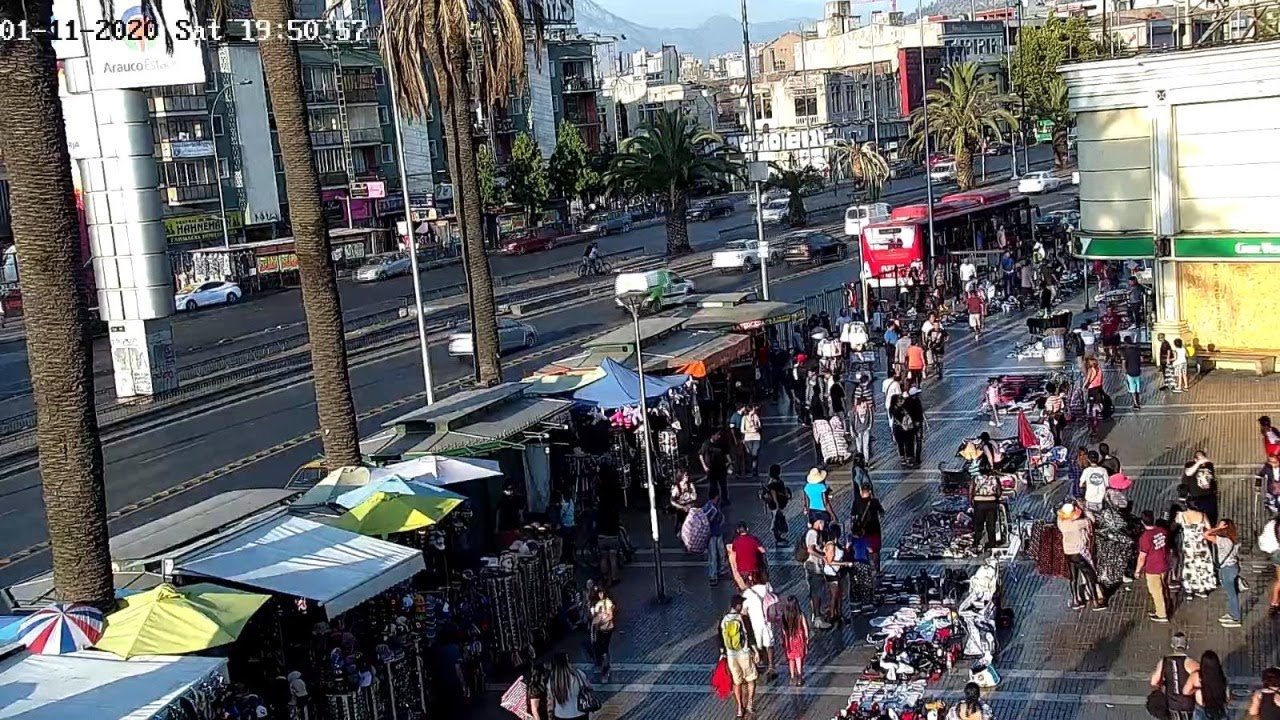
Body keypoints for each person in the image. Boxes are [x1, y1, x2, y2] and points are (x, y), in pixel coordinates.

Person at [1058, 501, 1106, 610]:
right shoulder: (1078, 523)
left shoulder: (1062, 524)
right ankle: (1095, 602)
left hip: (1068, 553)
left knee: (1073, 577)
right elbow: (1090, 521)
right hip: (1079, 553)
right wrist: (1083, 508)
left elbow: (1058, 518)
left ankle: (1076, 600)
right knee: (1090, 575)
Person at [718, 595, 760, 719]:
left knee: (737, 682)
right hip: (744, 654)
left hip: (731, 656)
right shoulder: (743, 618)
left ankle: (739, 709)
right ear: (738, 606)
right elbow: (751, 636)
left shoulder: (723, 619)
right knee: (751, 679)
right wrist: (756, 651)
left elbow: (720, 639)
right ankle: (750, 704)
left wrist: (722, 653)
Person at [739, 572, 778, 683]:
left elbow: (743, 611)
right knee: (769, 644)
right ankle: (771, 665)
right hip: (767, 620)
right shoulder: (766, 587)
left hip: (755, 622)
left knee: (757, 643)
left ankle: (758, 664)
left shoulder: (746, 594)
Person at [1175, 498, 1217, 598]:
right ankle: (1202, 590)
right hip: (1201, 545)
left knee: (1189, 566)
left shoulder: (1182, 515)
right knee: (1202, 566)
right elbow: (1209, 529)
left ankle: (1189, 591)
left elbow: (1176, 524)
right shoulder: (1202, 515)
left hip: (1189, 546)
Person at [1152, 633, 1199, 720]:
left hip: (1171, 703)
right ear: (1186, 646)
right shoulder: (1190, 663)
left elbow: (1154, 682)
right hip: (1187, 703)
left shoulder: (1164, 661)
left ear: (1172, 646)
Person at [1206, 519, 1243, 627]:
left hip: (1227, 569)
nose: (1217, 525)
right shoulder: (1233, 539)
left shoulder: (1222, 540)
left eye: (1220, 524)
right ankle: (1232, 613)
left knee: (1232, 594)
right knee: (1232, 592)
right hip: (1233, 567)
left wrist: (1218, 528)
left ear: (1225, 527)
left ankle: (1235, 618)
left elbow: (1206, 534)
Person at [1135, 511, 1171, 622]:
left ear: (1142, 522)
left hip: (1152, 568)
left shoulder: (1145, 537)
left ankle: (1161, 614)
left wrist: (1137, 570)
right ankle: (1167, 606)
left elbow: (1142, 557)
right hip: (1164, 564)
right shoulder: (1162, 531)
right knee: (1164, 588)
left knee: (1156, 591)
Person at [802, 516, 833, 629]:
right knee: (816, 592)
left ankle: (816, 615)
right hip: (814, 567)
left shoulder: (814, 533)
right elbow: (810, 549)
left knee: (816, 592)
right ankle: (817, 618)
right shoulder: (813, 534)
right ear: (818, 522)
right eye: (823, 522)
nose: (824, 525)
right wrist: (823, 556)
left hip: (814, 566)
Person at [1183, 650, 1230, 720]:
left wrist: (1196, 689)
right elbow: (1228, 696)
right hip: (1220, 708)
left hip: (1202, 709)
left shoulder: (1196, 676)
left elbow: (1185, 691)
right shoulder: (1221, 676)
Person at [851, 482, 885, 573]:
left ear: (861, 491)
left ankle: (866, 570)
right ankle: (877, 570)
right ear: (870, 491)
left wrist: (854, 529)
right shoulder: (874, 502)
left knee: (864, 550)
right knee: (875, 551)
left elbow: (853, 517)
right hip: (874, 530)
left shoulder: (856, 502)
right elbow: (882, 512)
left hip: (862, 531)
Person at [548, 652, 593, 720]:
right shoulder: (578, 674)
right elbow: (589, 687)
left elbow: (551, 701)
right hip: (580, 712)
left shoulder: (552, 680)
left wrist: (550, 714)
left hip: (560, 715)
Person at [970, 462, 1003, 554]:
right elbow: (999, 491)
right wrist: (996, 497)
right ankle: (992, 543)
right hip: (991, 503)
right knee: (991, 524)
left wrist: (971, 501)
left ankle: (976, 542)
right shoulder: (994, 478)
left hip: (979, 503)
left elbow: (971, 490)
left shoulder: (975, 478)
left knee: (978, 524)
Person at [588, 584, 616, 683]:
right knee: (598, 647)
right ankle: (601, 664)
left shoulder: (607, 602)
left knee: (604, 648)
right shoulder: (595, 603)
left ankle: (605, 668)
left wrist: (601, 622)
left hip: (606, 628)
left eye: (601, 592)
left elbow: (610, 616)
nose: (600, 595)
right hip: (598, 628)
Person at [780, 596, 810, 687]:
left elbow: (783, 629)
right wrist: (807, 638)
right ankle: (800, 676)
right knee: (798, 658)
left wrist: (784, 639)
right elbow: (805, 627)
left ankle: (792, 677)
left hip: (789, 639)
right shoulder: (800, 615)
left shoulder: (784, 615)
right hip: (799, 639)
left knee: (791, 658)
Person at [729, 522, 767, 591]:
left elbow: (733, 554)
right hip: (754, 569)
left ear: (738, 531)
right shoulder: (753, 540)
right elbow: (763, 551)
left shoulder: (735, 542)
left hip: (741, 570)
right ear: (747, 529)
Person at [1184, 450, 1220, 525]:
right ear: (1195, 459)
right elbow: (1188, 473)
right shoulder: (1190, 464)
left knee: (1211, 518)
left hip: (1209, 496)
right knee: (1198, 519)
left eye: (1203, 458)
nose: (1202, 461)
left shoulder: (1209, 465)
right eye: (1199, 459)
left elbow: (1212, 478)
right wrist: (1198, 463)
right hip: (1196, 497)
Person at [763, 465, 791, 546]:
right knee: (776, 520)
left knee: (778, 519)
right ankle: (778, 537)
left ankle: (778, 537)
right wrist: (777, 505)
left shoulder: (772, 481)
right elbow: (773, 494)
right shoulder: (774, 483)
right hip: (776, 505)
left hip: (776, 504)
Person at [704, 491, 727, 586]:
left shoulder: (715, 506)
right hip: (712, 534)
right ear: (715, 497)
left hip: (717, 533)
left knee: (720, 552)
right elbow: (707, 520)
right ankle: (713, 575)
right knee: (713, 555)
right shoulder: (710, 508)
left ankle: (720, 570)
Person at [700, 431, 730, 505]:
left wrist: (730, 462)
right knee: (713, 486)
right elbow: (701, 455)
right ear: (712, 435)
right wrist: (704, 466)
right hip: (711, 469)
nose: (719, 436)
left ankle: (724, 500)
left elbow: (726, 453)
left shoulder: (721, 443)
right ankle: (713, 500)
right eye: (717, 435)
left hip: (721, 468)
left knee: (723, 485)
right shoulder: (706, 444)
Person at [902, 386, 925, 467]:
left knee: (910, 442)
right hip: (917, 423)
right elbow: (920, 412)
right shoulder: (917, 401)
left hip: (910, 425)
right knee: (919, 441)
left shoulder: (906, 402)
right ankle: (917, 458)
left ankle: (910, 457)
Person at [740, 405, 763, 477]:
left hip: (756, 437)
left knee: (755, 454)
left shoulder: (755, 416)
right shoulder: (744, 418)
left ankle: (754, 470)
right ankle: (749, 467)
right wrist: (749, 430)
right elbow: (742, 430)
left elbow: (760, 425)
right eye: (753, 409)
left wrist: (757, 427)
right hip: (748, 438)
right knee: (750, 454)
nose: (754, 410)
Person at [1122, 336, 1144, 409]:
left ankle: (1135, 403)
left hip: (1129, 371)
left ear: (1125, 342)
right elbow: (1142, 359)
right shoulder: (1137, 350)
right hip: (1137, 370)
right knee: (1137, 387)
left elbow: (1124, 362)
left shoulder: (1125, 351)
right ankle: (1138, 401)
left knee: (1132, 388)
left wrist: (1124, 371)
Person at [850, 396, 873, 462]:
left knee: (866, 446)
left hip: (865, 430)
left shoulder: (868, 410)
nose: (864, 409)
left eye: (865, 406)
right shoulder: (854, 412)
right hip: (857, 431)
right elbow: (852, 422)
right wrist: (853, 432)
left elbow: (871, 419)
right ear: (859, 405)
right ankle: (860, 459)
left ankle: (866, 461)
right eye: (863, 406)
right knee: (859, 447)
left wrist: (869, 428)